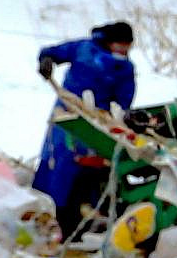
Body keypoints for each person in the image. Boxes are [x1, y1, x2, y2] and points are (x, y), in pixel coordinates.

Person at [33, 21, 136, 239]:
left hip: (97, 122)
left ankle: (78, 219)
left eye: (127, 48)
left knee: (87, 171)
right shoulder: (84, 49)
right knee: (57, 164)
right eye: (120, 46)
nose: (123, 52)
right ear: (110, 41)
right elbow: (51, 52)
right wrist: (46, 62)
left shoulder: (125, 68)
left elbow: (124, 100)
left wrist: (120, 117)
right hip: (67, 116)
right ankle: (47, 211)